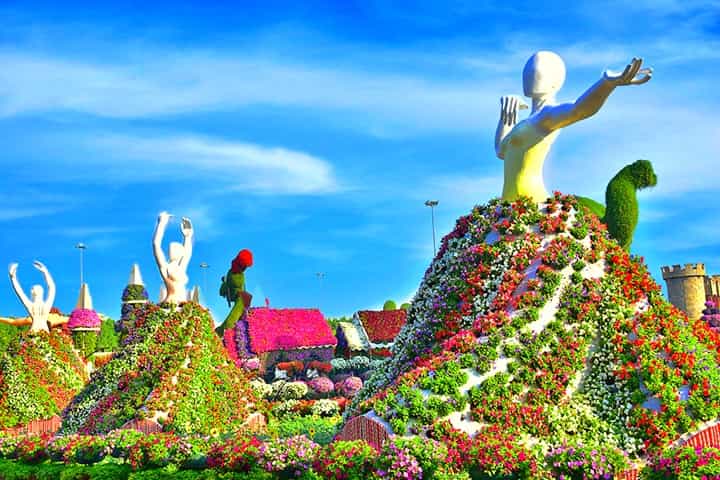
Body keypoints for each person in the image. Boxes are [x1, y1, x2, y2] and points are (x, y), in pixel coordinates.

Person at [495, 51, 652, 202]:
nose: (531, 74)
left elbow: (579, 110)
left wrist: (606, 84)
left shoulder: (547, 115)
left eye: (538, 69)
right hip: (508, 205)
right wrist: (506, 115)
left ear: (557, 80)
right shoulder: (530, 120)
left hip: (530, 199)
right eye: (528, 70)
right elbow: (501, 151)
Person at [153, 211, 193, 304]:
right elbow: (156, 245)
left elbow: (187, 254)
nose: (171, 250)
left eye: (175, 248)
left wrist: (187, 237)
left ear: (181, 252)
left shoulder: (180, 268)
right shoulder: (166, 267)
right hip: (170, 305)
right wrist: (161, 224)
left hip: (183, 305)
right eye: (171, 248)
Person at [8, 261, 55, 333]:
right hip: (35, 331)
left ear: (41, 291)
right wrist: (13, 278)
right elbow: (19, 292)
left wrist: (45, 273)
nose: (32, 290)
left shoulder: (46, 305)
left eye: (34, 288)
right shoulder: (31, 305)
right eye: (32, 288)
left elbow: (52, 288)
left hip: (43, 332)